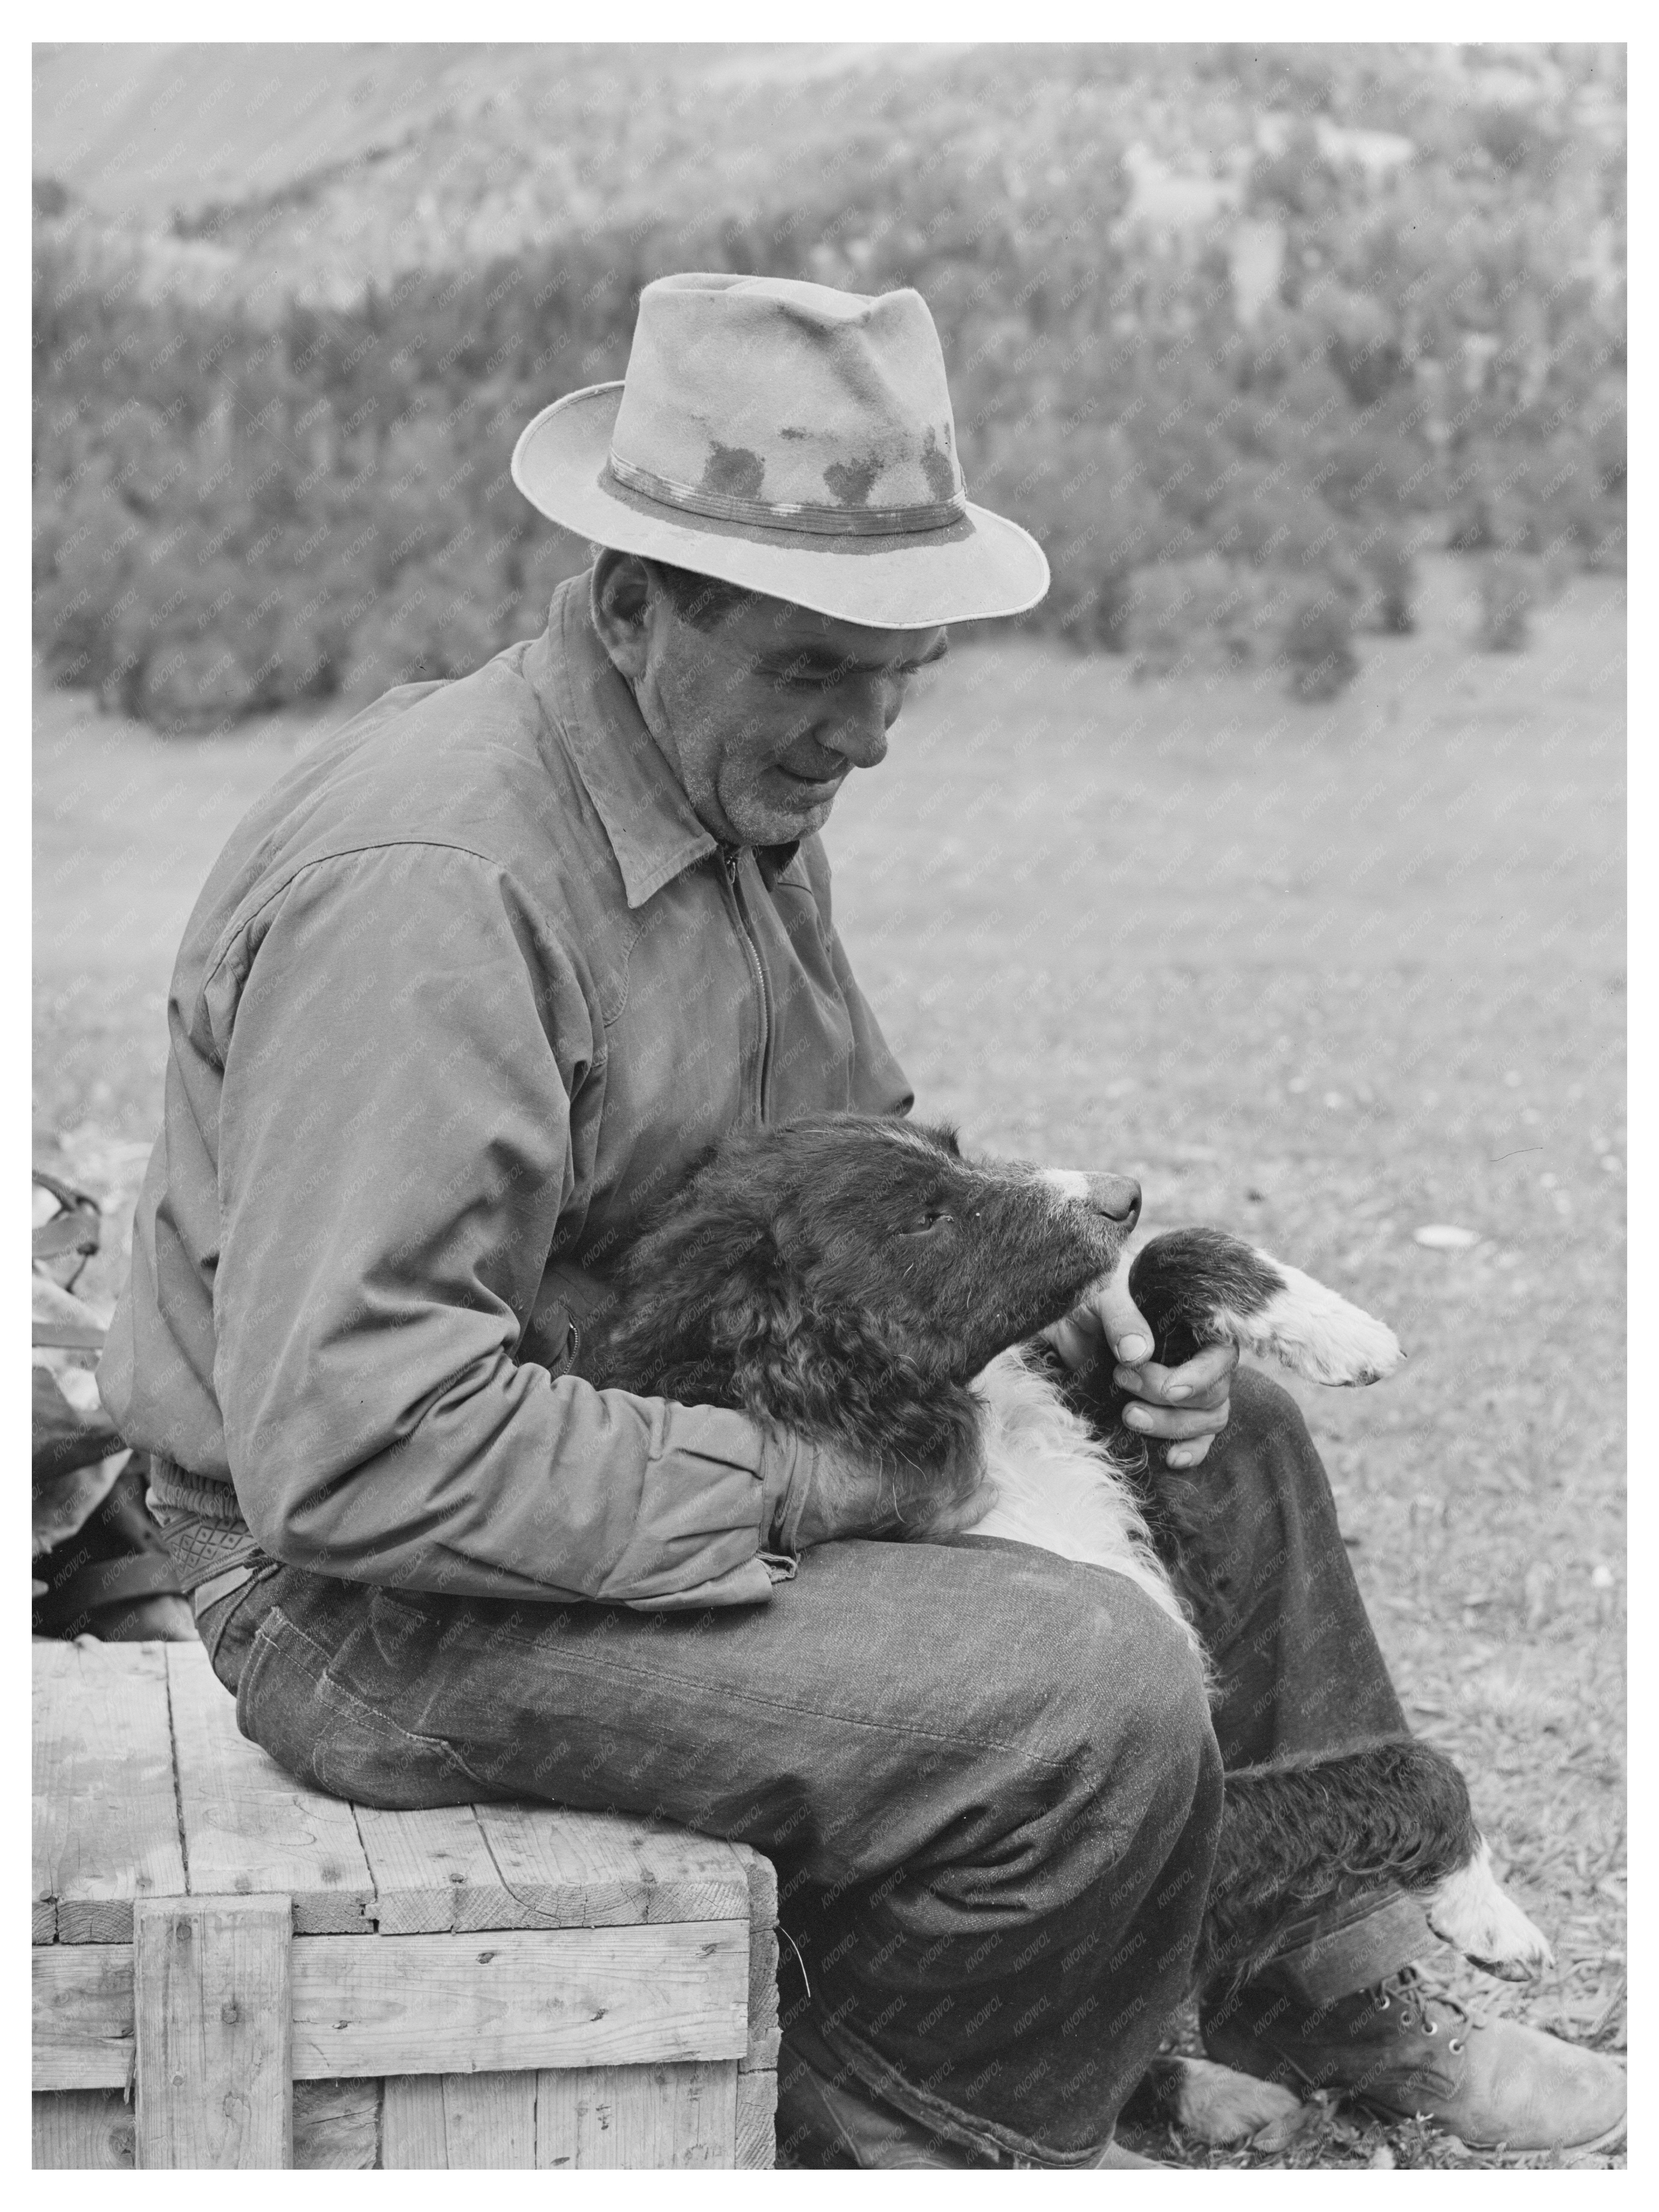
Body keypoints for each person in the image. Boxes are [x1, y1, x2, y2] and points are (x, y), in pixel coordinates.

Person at [101, 272, 1623, 2168]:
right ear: (638, 605)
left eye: (896, 677)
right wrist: (837, 1482)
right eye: (820, 672)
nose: (869, 738)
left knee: (1234, 1445)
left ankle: (1317, 1963)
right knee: (1083, 1687)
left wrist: (1074, 1322)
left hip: (618, 1438)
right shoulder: (435, 892)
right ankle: (904, 2128)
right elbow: (359, 1452)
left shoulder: (731, 802)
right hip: (368, 1597)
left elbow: (868, 1182)